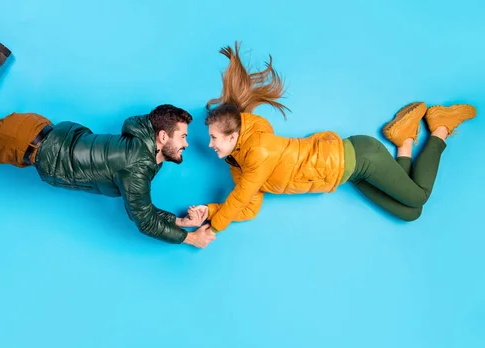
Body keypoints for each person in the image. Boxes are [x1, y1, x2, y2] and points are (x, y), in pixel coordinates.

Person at [0, 22, 216, 248]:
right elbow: (143, 218)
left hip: (28, 145)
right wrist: (190, 237)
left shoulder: (142, 149)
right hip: (22, 140)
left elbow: (142, 205)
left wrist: (181, 222)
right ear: (161, 137)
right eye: (182, 136)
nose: (187, 143)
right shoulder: (137, 164)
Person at [188, 42, 477, 234]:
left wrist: (213, 227)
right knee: (411, 213)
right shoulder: (239, 163)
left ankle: (439, 127)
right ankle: (405, 138)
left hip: (362, 157)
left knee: (419, 196)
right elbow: (248, 207)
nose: (210, 144)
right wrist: (210, 211)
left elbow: (240, 197)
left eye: (214, 137)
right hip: (346, 174)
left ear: (233, 135)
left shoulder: (259, 151)